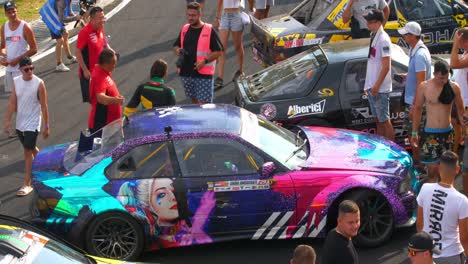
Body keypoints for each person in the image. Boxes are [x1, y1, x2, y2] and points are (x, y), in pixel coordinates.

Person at [118, 177, 216, 249]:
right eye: (162, 194)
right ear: (147, 205)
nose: (173, 197)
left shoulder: (180, 230)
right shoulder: (157, 241)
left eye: (173, 190)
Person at [412, 61, 464, 183]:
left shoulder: (454, 87)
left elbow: (461, 112)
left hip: (448, 134)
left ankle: (444, 199)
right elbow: (418, 109)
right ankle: (432, 199)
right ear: (434, 73)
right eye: (441, 78)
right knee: (432, 173)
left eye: (446, 78)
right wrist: (414, 132)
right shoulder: (424, 87)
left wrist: (464, 130)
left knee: (447, 174)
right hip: (430, 133)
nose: (444, 81)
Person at [4, 57, 49, 196]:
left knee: (27, 152)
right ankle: (47, 166)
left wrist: (46, 125)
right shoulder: (16, 82)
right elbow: (12, 102)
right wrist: (7, 121)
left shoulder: (39, 83)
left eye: (32, 68)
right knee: (29, 148)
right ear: (20, 70)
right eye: (26, 69)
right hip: (21, 122)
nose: (30, 71)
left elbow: (44, 105)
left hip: (33, 122)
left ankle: (27, 184)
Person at [416, 151, 468, 263]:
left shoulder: (425, 188)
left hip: (428, 253)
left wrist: (434, 250)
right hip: (451, 255)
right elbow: (464, 238)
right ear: (457, 169)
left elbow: (420, 225)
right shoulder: (462, 200)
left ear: (439, 169)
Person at [173, 2, 223, 104]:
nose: (190, 18)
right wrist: (177, 50)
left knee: (205, 106)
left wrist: (204, 61)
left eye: (193, 15)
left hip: (203, 75)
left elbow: (218, 51)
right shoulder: (185, 28)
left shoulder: (209, 30)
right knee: (194, 103)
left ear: (200, 15)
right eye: (188, 15)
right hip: (186, 73)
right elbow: (176, 45)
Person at [397, 21, 431, 168]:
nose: (404, 37)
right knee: (413, 135)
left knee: (416, 136)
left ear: (412, 36)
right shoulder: (415, 50)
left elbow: (421, 83)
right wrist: (408, 75)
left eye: (406, 34)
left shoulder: (419, 55)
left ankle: (420, 167)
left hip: (416, 104)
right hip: (413, 101)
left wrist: (414, 106)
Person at [363, 9, 394, 141]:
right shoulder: (373, 35)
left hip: (379, 89)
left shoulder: (383, 39)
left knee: (384, 121)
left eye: (371, 22)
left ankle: (392, 149)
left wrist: (376, 86)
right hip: (372, 87)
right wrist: (369, 85)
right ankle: (382, 145)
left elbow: (386, 66)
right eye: (367, 22)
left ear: (379, 22)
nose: (368, 24)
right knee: (378, 120)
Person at [0, 1, 37, 93]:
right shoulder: (4, 27)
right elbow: (3, 46)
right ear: (5, 13)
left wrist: (17, 60)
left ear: (17, 10)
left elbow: (34, 49)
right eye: (9, 12)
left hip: (23, 69)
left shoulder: (25, 27)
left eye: (13, 11)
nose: (12, 14)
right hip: (9, 70)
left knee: (26, 97)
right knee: (13, 99)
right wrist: (2, 58)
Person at [76, 6, 110, 103]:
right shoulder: (85, 32)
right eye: (100, 18)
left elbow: (104, 43)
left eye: (103, 17)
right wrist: (85, 70)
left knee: (105, 102)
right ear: (92, 19)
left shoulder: (100, 28)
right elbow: (77, 52)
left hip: (101, 72)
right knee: (97, 104)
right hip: (90, 75)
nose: (103, 20)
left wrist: (111, 51)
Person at [215, 0, 249, 90]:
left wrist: (252, 10)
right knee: (221, 48)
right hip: (225, 15)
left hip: (237, 15)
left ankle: (240, 71)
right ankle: (220, 78)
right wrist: (217, 17)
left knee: (238, 46)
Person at [88, 49, 123, 134]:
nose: (115, 65)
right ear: (105, 64)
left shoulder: (103, 71)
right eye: (113, 63)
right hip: (103, 125)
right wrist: (115, 100)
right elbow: (100, 98)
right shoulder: (99, 76)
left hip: (111, 124)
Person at [451, 27, 468, 197]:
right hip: (461, 104)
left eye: (460, 39)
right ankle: (456, 160)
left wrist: (455, 44)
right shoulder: (465, 54)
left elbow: (453, 63)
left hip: (467, 107)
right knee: (458, 133)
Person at [40, 0, 80, 72]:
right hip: (50, 17)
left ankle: (69, 58)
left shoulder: (68, 1)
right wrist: (75, 18)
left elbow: (70, 12)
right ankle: (59, 64)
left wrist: (77, 16)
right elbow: (62, 19)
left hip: (55, 14)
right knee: (60, 40)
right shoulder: (62, 2)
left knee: (65, 34)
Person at [321, 200, 360, 264]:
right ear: (339, 221)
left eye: (357, 221)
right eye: (350, 222)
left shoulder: (332, 233)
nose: (355, 226)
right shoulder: (346, 252)